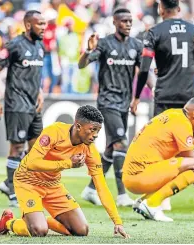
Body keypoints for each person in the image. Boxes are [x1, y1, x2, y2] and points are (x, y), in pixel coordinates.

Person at [0, 105, 130, 238]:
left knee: (82, 230)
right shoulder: (54, 132)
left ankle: (40, 220)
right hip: (28, 181)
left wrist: (117, 221)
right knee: (38, 231)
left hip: (53, 184)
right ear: (78, 126)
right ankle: (8, 222)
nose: (95, 135)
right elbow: (31, 163)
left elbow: (101, 186)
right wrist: (68, 163)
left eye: (98, 131)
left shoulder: (90, 150)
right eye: (93, 130)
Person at [130, 0, 194, 210]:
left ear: (160, 8)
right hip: (188, 98)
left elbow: (145, 67)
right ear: (179, 8)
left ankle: (160, 196)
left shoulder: (155, 31)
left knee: (161, 146)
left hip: (164, 95)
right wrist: (183, 76)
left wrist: (137, 96)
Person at [78, 8, 143, 207]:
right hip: (107, 102)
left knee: (110, 148)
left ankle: (90, 189)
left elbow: (144, 71)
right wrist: (88, 50)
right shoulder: (105, 44)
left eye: (130, 21)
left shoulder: (136, 45)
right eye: (124, 21)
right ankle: (122, 194)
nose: (128, 24)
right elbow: (82, 65)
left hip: (124, 102)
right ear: (114, 23)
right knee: (121, 143)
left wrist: (145, 93)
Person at [123, 97, 194, 222]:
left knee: (186, 165)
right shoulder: (183, 123)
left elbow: (175, 155)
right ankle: (152, 203)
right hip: (141, 176)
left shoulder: (172, 114)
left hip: (132, 177)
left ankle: (145, 200)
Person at [0, 10, 46, 207]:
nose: (43, 27)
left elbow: (36, 73)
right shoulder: (13, 45)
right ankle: (14, 192)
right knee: (17, 147)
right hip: (16, 104)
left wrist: (39, 91)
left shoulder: (41, 46)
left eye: (44, 23)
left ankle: (9, 182)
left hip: (34, 104)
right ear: (28, 25)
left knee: (36, 148)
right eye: (39, 23)